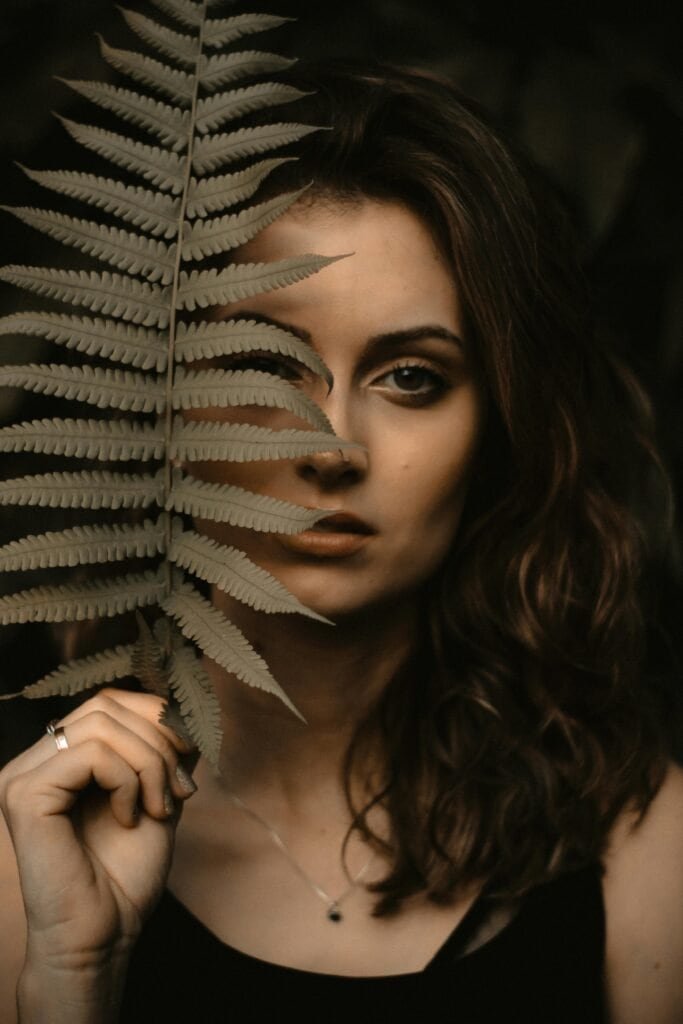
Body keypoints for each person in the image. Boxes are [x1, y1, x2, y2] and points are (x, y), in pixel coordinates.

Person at [0, 61, 681, 1024]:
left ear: (498, 431)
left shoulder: (645, 844)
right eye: (266, 368)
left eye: (411, 376)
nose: (331, 447)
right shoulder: (26, 840)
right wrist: (71, 980)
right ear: (157, 407)